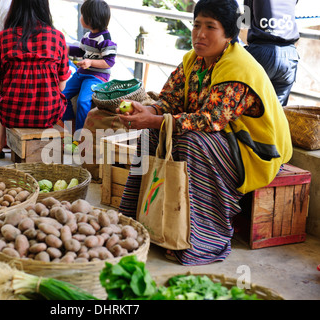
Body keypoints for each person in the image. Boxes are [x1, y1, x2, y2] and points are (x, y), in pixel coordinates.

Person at [116, 0, 293, 266]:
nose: (200, 34)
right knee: (152, 135)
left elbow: (210, 121)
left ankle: (202, 241)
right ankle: (134, 220)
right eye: (197, 24)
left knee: (191, 142)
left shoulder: (238, 67)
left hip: (255, 152)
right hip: (222, 139)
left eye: (211, 27)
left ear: (229, 34)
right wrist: (150, 109)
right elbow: (170, 101)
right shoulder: (192, 60)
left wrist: (154, 120)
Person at [0, 0, 70, 158]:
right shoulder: (58, 38)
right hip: (49, 114)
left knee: (1, 97)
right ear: (44, 7)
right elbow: (61, 87)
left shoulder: (2, 38)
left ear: (15, 7)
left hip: (11, 114)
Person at [61, 0, 117, 140]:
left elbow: (109, 62)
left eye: (82, 14)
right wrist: (65, 48)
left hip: (96, 76)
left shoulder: (105, 39)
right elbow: (81, 51)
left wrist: (90, 62)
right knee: (62, 96)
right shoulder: (87, 36)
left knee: (82, 101)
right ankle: (69, 128)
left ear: (90, 19)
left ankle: (80, 136)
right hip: (82, 73)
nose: (80, 17)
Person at [244, 0, 300, 106]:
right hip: (289, 56)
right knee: (278, 113)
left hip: (260, 52)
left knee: (249, 109)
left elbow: (243, 23)